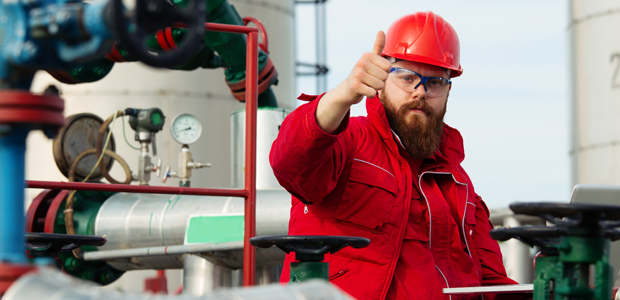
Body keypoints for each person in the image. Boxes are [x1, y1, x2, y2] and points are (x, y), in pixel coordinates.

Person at [270, 11, 526, 300]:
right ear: (380, 84)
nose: (420, 92)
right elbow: (291, 162)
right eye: (407, 78)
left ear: (448, 90)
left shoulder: (460, 184)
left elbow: (493, 283)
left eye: (436, 82)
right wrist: (342, 95)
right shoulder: (348, 141)